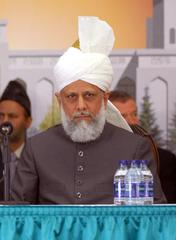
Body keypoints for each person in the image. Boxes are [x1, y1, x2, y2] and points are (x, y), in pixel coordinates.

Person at [11, 16, 165, 204]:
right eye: (71, 97)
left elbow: (155, 218)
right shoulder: (37, 148)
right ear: (60, 100)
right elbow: (17, 215)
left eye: (89, 95)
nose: (81, 105)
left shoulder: (134, 148)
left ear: (105, 98)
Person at [109, 90, 176, 203]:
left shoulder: (165, 159)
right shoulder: (97, 156)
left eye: (134, 114)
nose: (132, 121)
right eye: (123, 116)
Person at [0, 79, 32, 200]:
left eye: (12, 116)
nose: (4, 122)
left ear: (28, 121)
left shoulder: (38, 159)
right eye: (1, 115)